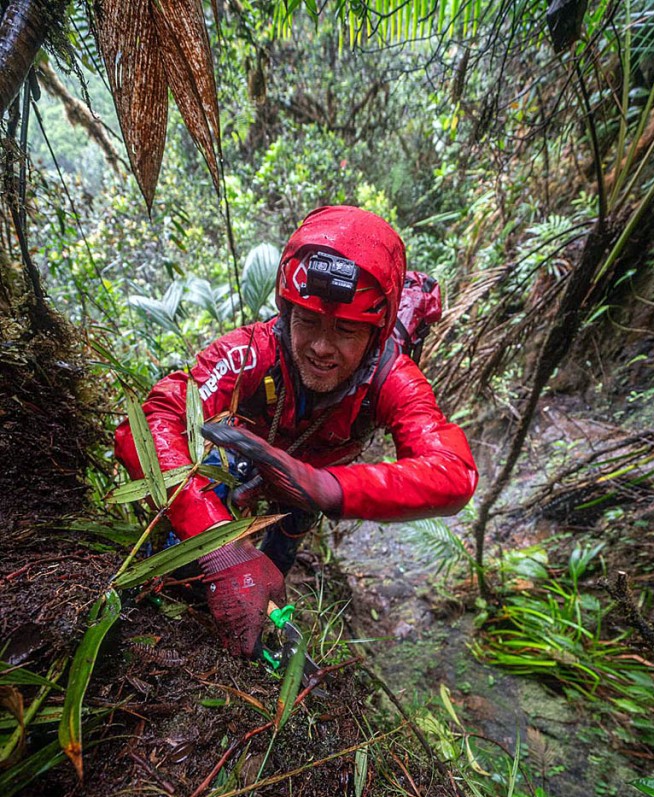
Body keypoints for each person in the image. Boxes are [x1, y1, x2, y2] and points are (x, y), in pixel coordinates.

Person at [115, 205, 478, 657]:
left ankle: (268, 621)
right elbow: (150, 424)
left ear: (376, 335)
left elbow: (453, 473)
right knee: (211, 479)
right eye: (306, 322)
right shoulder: (252, 351)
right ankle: (176, 594)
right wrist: (220, 546)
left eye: (346, 330)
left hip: (310, 489)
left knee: (283, 547)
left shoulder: (392, 377)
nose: (322, 348)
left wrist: (327, 487)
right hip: (248, 468)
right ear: (286, 313)